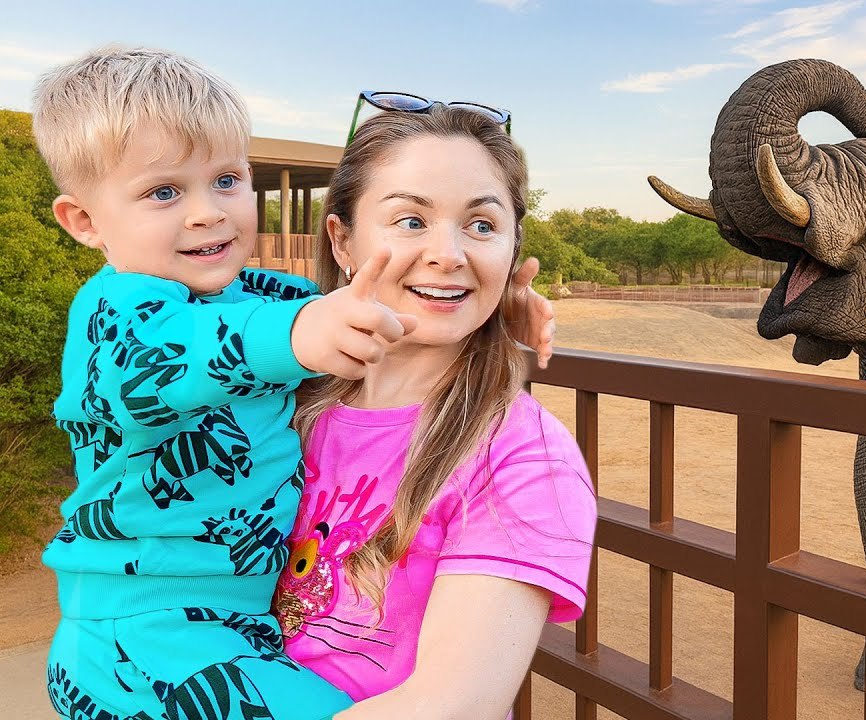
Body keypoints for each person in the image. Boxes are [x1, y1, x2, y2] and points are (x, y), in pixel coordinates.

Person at [33, 46, 556, 720]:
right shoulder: (115, 315)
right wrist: (299, 336)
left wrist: (492, 301)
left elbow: (366, 301)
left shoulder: (255, 292)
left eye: (226, 180)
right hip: (150, 631)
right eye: (165, 192)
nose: (206, 212)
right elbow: (189, 353)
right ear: (85, 221)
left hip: (229, 628)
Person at [272, 107, 596, 720]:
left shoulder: (524, 459)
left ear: (511, 251)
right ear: (342, 241)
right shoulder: (282, 404)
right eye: (411, 220)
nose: (448, 254)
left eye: (481, 225)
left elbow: (455, 705)